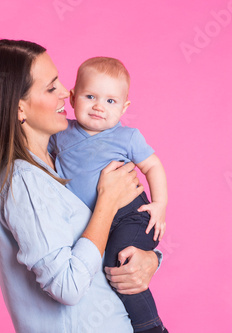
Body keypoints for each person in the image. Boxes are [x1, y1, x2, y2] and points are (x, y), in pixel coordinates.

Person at [0, 39, 162, 333]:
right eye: (51, 88)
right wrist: (107, 202)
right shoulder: (23, 180)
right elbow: (67, 287)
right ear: (19, 109)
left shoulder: (60, 162)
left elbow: (96, 250)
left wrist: (149, 259)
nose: (67, 92)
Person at [49, 57, 168, 332]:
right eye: (90, 96)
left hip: (131, 217)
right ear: (73, 97)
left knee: (120, 263)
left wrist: (160, 204)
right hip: (98, 221)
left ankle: (150, 327)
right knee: (96, 264)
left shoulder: (127, 137)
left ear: (124, 107)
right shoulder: (60, 132)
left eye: (111, 101)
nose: (99, 106)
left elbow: (152, 166)